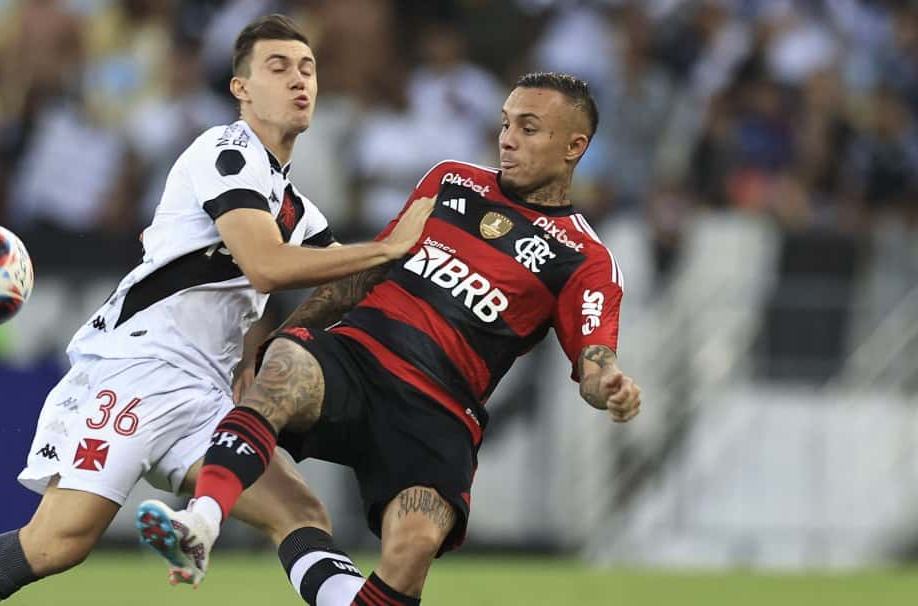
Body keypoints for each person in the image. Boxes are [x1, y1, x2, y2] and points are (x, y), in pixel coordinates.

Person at [0, 14, 434, 605]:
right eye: (279, 67)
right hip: (140, 371)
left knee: (299, 510)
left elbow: (349, 279)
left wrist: (443, 250)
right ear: (241, 88)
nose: (300, 80)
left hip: (202, 392)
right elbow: (267, 265)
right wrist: (388, 245)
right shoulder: (225, 152)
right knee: (57, 543)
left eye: (308, 69)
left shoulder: (293, 204)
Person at [138, 72, 643, 605]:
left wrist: (607, 383)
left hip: (441, 411)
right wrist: (281, 342)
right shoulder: (452, 181)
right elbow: (370, 271)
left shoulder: (584, 258)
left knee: (413, 548)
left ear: (574, 146)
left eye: (529, 128)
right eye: (505, 123)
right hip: (357, 358)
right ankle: (201, 523)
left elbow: (594, 359)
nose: (507, 138)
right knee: (285, 367)